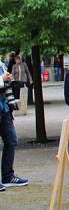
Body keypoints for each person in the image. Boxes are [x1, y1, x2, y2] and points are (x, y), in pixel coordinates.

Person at [0, 58, 28, 191]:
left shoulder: (0, 63)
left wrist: (7, 79)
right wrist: (2, 78)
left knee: (12, 140)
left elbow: (6, 84)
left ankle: (7, 176)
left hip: (4, 108)